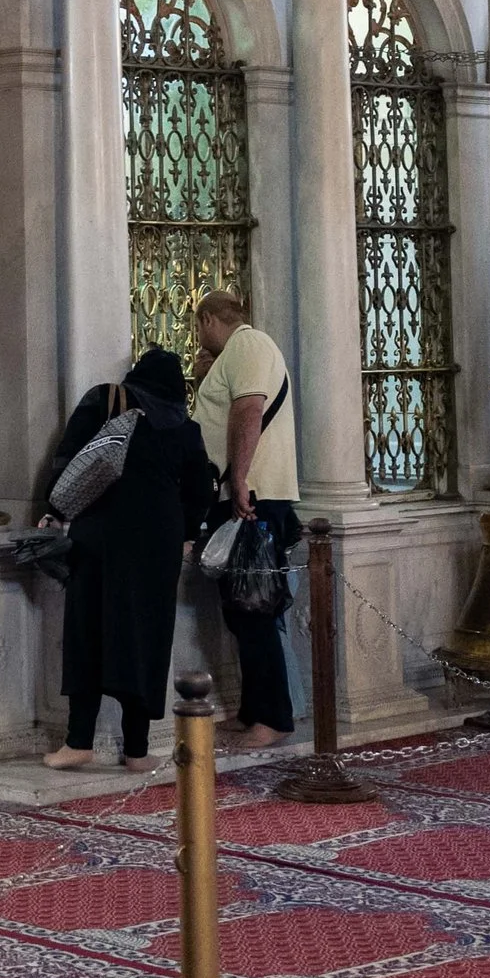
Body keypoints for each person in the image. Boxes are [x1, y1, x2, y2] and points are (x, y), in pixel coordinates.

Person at [43, 349, 214, 769]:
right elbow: (200, 491)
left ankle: (78, 741)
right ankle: (137, 749)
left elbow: (69, 459)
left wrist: (56, 509)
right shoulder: (183, 426)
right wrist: (188, 533)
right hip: (156, 542)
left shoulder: (105, 400)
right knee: (144, 640)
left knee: (88, 631)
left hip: (98, 533)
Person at [189, 289, 302, 749]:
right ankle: (253, 710)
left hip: (253, 499)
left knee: (255, 611)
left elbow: (248, 411)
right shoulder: (234, 355)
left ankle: (272, 718)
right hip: (240, 497)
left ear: (210, 319)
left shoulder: (249, 345)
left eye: (199, 327)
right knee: (241, 611)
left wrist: (238, 479)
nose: (198, 338)